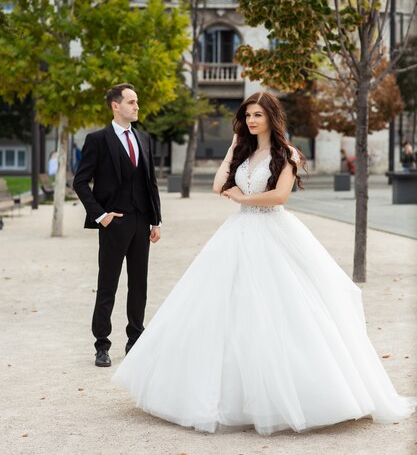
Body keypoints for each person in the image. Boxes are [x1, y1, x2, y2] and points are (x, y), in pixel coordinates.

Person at [113, 91, 416, 435]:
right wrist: (231, 149)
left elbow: (280, 196)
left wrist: (244, 197)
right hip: (238, 232)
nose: (252, 121)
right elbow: (217, 186)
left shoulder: (286, 154)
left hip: (273, 231)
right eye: (248, 116)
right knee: (226, 309)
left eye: (258, 115)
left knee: (283, 309)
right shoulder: (244, 153)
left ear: (272, 117)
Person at [73, 83, 161, 368]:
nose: (137, 107)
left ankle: (135, 339)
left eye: (137, 102)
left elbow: (151, 182)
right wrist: (101, 215)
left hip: (141, 223)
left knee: (139, 285)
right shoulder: (98, 139)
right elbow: (80, 181)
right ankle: (102, 345)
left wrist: (156, 220)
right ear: (116, 106)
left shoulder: (144, 138)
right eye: (132, 102)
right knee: (107, 285)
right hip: (114, 224)